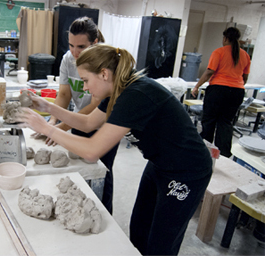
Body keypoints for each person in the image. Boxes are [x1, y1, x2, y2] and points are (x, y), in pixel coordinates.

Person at [17, 44, 213, 255]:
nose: (84, 88)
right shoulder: (117, 91)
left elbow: (92, 150)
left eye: (85, 80)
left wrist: (46, 128)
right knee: (139, 229)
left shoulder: (135, 94)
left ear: (103, 73)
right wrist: (48, 107)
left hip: (188, 170)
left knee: (161, 243)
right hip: (160, 163)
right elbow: (87, 123)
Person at [34, 17, 119, 214]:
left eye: (81, 46)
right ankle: (81, 213)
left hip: (104, 126)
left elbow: (96, 106)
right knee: (80, 171)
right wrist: (54, 120)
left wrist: (59, 129)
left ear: (94, 43)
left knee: (101, 171)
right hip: (80, 121)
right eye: (71, 45)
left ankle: (104, 216)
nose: (74, 52)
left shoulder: (105, 64)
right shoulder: (68, 59)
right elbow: (64, 94)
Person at [192, 27, 251, 157]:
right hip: (237, 92)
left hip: (218, 91)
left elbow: (209, 71)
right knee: (225, 123)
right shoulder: (245, 55)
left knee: (209, 121)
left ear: (225, 38)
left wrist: (196, 86)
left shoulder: (219, 52)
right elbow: (245, 77)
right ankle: (223, 156)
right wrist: (235, 86)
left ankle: (205, 153)